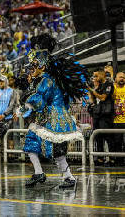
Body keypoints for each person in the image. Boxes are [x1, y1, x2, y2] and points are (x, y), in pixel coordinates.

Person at [19, 34, 87, 189]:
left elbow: (40, 100)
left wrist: (26, 103)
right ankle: (39, 173)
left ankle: (69, 177)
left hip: (55, 120)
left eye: (32, 67)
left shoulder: (47, 81)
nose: (30, 70)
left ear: (41, 66)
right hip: (46, 119)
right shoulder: (46, 80)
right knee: (31, 143)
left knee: (57, 151)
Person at [87, 70, 115, 166]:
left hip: (105, 115)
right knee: (98, 137)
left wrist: (92, 90)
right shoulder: (97, 86)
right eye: (93, 76)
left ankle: (112, 158)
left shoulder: (109, 85)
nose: (94, 77)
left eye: (96, 75)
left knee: (108, 136)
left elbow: (103, 98)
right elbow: (92, 100)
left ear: (102, 74)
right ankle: (100, 158)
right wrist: (92, 89)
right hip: (97, 114)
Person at [112, 72, 125, 164]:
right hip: (116, 120)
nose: (122, 79)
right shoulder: (113, 88)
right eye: (120, 77)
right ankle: (119, 160)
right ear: (116, 79)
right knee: (117, 142)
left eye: (124, 78)